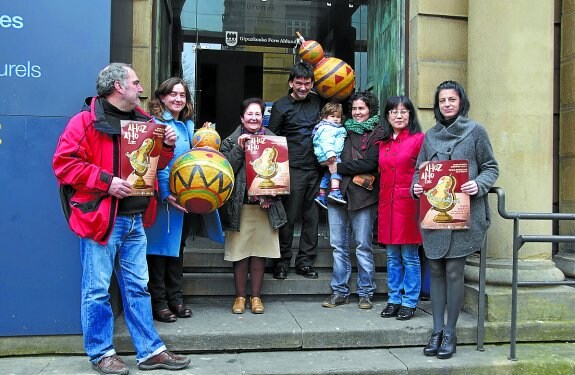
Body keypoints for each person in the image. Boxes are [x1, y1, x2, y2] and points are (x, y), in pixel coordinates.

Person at [53, 63, 191, 374]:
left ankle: (150, 351)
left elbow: (153, 163)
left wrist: (167, 146)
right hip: (101, 220)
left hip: (135, 220)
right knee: (97, 290)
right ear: (118, 87)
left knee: (138, 288)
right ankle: (101, 353)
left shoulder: (145, 121)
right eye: (136, 83)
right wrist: (106, 181)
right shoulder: (84, 122)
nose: (141, 89)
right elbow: (63, 165)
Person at [412, 80, 499, 359]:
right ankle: (436, 331)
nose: (447, 104)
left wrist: (479, 184)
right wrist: (417, 187)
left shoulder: (476, 132)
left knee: (453, 272)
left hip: (465, 215)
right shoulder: (430, 136)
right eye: (442, 101)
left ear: (461, 101)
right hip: (435, 216)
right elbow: (419, 172)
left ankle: (450, 332)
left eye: (451, 99)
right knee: (436, 271)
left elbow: (491, 167)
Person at [219, 97, 286, 314]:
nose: (254, 118)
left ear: (263, 118)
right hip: (240, 206)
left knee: (260, 254)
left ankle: (256, 297)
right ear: (242, 118)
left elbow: (282, 174)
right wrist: (239, 149)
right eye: (250, 114)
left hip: (265, 208)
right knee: (239, 254)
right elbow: (225, 171)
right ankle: (240, 297)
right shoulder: (230, 141)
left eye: (258, 114)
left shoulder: (275, 141)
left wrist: (274, 192)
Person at [322, 91, 385, 310]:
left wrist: (339, 168)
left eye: (362, 108)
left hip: (363, 196)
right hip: (337, 194)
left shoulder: (378, 132)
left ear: (370, 110)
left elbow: (371, 163)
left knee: (363, 246)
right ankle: (340, 291)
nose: (357, 113)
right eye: (355, 108)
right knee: (338, 246)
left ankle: (365, 292)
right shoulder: (340, 129)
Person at [145, 77, 195, 323]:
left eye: (182, 95)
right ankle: (160, 303)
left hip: (183, 198)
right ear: (162, 97)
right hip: (163, 200)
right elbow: (157, 163)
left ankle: (176, 300)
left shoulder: (185, 126)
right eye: (173, 94)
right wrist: (165, 192)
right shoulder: (154, 124)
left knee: (177, 251)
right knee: (158, 253)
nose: (178, 99)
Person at [268, 62, 323, 280]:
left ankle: (305, 262)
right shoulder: (281, 106)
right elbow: (272, 138)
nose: (302, 87)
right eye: (298, 83)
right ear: (291, 82)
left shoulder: (318, 102)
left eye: (307, 83)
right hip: (291, 170)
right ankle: (281, 262)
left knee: (312, 218)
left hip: (316, 169)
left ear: (312, 84)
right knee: (288, 218)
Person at [378, 96, 424, 321]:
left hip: (409, 205)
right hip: (387, 204)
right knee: (391, 257)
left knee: (410, 256)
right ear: (387, 116)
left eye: (404, 111)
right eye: (394, 111)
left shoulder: (419, 139)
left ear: (410, 115)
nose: (398, 115)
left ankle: (409, 301)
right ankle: (394, 298)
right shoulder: (383, 142)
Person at [312, 102, 347, 208]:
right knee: (337, 169)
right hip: (329, 154)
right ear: (325, 117)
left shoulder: (329, 127)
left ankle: (321, 195)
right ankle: (335, 191)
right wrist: (330, 153)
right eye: (332, 116)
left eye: (338, 117)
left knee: (328, 174)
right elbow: (326, 141)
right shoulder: (328, 128)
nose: (336, 119)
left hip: (325, 155)